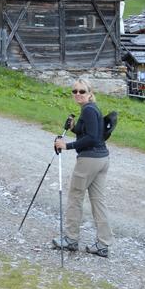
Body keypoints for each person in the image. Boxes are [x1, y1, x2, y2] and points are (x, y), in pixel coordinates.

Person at [52, 78, 112, 257]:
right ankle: (103, 244)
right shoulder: (92, 109)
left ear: (90, 93)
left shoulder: (88, 110)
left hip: (89, 160)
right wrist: (74, 129)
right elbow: (89, 132)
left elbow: (92, 137)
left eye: (82, 91)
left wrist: (66, 146)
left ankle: (71, 239)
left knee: (75, 197)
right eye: (75, 91)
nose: (78, 94)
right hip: (102, 159)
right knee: (98, 201)